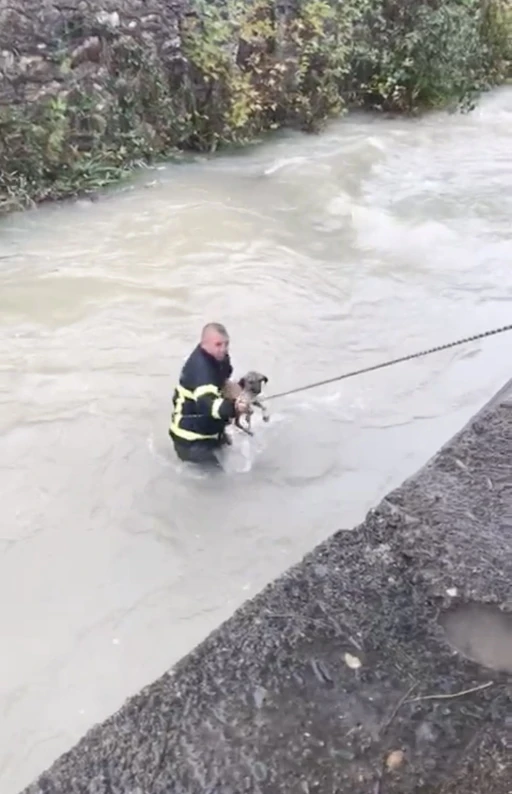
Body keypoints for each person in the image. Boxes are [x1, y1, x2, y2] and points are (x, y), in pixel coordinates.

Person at [169, 323, 249, 467]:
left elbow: (223, 383)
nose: (223, 349)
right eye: (218, 345)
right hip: (191, 441)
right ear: (204, 344)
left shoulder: (220, 359)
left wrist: (243, 388)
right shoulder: (201, 370)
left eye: (226, 344)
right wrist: (235, 408)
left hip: (211, 433)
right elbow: (208, 405)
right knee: (219, 485)